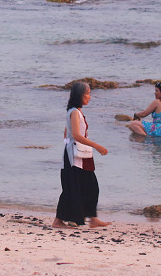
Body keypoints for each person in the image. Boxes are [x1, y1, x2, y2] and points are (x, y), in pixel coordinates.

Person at [53, 80, 111, 228]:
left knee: (90, 186)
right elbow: (77, 136)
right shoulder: (74, 113)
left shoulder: (75, 112)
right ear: (80, 95)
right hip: (73, 157)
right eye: (87, 94)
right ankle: (58, 221)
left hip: (79, 155)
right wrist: (96, 146)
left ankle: (92, 218)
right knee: (71, 188)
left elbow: (67, 133)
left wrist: (71, 141)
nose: (89, 97)